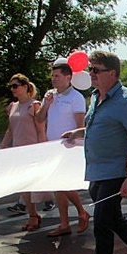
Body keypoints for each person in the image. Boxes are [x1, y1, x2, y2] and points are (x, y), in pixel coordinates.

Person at [61, 51, 127, 254]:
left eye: (96, 70)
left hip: (115, 173)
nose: (91, 75)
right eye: (90, 70)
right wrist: (78, 132)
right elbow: (100, 125)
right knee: (111, 221)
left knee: (102, 223)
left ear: (112, 73)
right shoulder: (96, 97)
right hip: (95, 173)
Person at [36, 59, 91, 237]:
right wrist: (46, 104)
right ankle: (64, 223)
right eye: (52, 76)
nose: (54, 79)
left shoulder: (76, 97)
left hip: (69, 146)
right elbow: (39, 119)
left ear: (68, 77)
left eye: (57, 76)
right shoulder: (50, 95)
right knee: (56, 185)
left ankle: (82, 212)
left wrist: (78, 142)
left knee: (64, 184)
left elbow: (80, 123)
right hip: (53, 145)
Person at [0, 73, 47, 232]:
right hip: (18, 150)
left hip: (32, 149)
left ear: (25, 87)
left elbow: (40, 129)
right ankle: (33, 215)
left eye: (15, 86)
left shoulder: (34, 105)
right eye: (11, 86)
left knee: (33, 184)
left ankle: (38, 213)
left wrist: (42, 147)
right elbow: (10, 129)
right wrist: (3, 146)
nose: (13, 89)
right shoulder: (12, 106)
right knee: (23, 185)